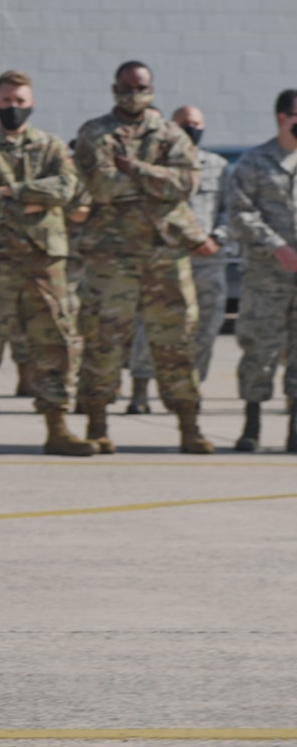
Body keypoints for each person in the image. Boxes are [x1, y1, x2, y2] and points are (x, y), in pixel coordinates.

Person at [0, 70, 94, 456]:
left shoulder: (50, 146)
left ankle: (57, 427)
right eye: (6, 101)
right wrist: (34, 202)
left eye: (20, 101)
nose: (13, 108)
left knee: (55, 344)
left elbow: (67, 188)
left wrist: (12, 191)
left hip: (45, 263)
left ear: (31, 104)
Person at [71, 62, 211, 455]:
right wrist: (156, 181)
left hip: (164, 256)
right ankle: (97, 424)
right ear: (113, 87)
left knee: (176, 342)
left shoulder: (170, 133)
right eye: (127, 86)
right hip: (110, 258)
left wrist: (133, 168)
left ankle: (189, 426)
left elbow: (186, 183)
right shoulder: (94, 132)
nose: (134, 93)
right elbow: (99, 186)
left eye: (142, 86)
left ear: (152, 88)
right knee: (104, 340)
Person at [126, 104, 226, 417]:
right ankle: (140, 390)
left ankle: (191, 391)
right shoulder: (156, 165)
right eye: (184, 123)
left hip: (208, 260)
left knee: (206, 327)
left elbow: (228, 208)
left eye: (196, 123)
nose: (191, 128)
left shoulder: (218, 166)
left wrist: (216, 238)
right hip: (165, 256)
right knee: (152, 324)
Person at [222, 90, 297, 454]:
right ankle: (252, 423)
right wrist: (276, 246)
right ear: (283, 118)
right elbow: (239, 213)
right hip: (267, 276)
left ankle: (295, 428)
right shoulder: (255, 162)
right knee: (259, 348)